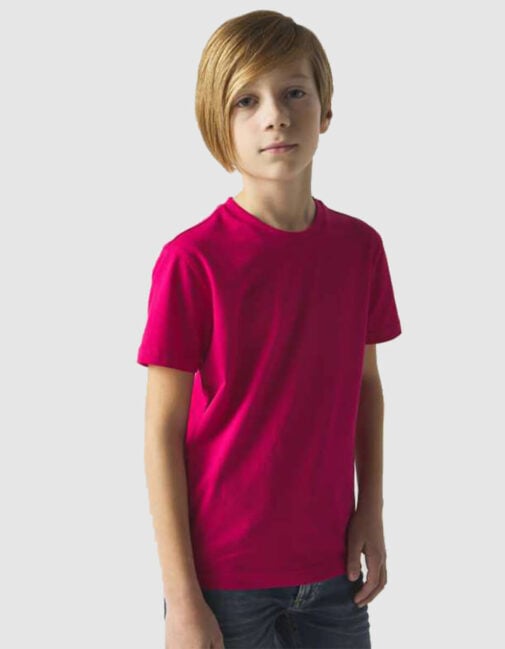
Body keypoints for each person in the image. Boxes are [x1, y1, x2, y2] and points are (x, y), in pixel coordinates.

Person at [137, 9, 402, 649]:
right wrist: (182, 598)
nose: (275, 116)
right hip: (223, 581)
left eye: (294, 93)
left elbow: (366, 386)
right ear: (217, 125)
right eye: (246, 101)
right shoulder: (192, 261)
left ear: (325, 110)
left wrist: (371, 510)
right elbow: (161, 431)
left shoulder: (360, 249)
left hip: (334, 572)